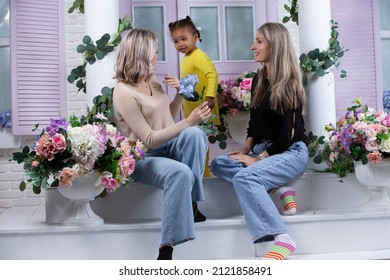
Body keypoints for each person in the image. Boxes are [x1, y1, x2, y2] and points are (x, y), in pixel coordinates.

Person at [210, 22, 308, 260]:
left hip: (289, 152)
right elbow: (254, 124)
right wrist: (244, 150)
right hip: (263, 150)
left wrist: (256, 159)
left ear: (275, 45)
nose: (252, 46)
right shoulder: (258, 80)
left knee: (245, 176)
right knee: (218, 164)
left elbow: (287, 136)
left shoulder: (290, 84)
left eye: (259, 41)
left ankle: (282, 238)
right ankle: (279, 189)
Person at [113, 28, 211, 260]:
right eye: (155, 51)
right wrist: (188, 120)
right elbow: (148, 138)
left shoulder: (151, 77)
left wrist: (180, 94)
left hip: (167, 146)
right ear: (143, 53)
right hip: (143, 156)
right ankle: (166, 247)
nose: (158, 55)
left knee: (195, 134)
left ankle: (192, 204)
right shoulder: (123, 92)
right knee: (180, 172)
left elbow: (166, 118)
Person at [168, 16, 220, 178]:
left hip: (204, 107)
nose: (180, 44)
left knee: (201, 142)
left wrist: (210, 97)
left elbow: (212, 74)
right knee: (196, 142)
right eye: (176, 41)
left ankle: (204, 175)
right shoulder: (187, 58)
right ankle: (198, 172)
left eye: (184, 39)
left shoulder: (198, 56)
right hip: (193, 108)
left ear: (195, 37)